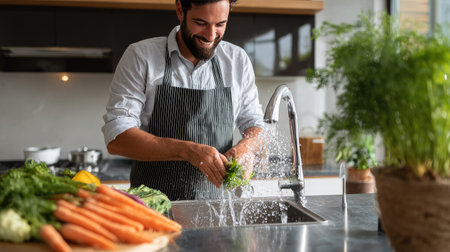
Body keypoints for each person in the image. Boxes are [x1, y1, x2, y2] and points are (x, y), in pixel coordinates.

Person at [101, 0, 265, 200]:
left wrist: (246, 148)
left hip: (219, 210)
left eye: (220, 24)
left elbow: (255, 123)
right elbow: (117, 137)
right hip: (153, 208)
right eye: (201, 23)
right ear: (180, 9)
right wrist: (188, 151)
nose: (211, 35)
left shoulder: (237, 60)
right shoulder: (141, 56)